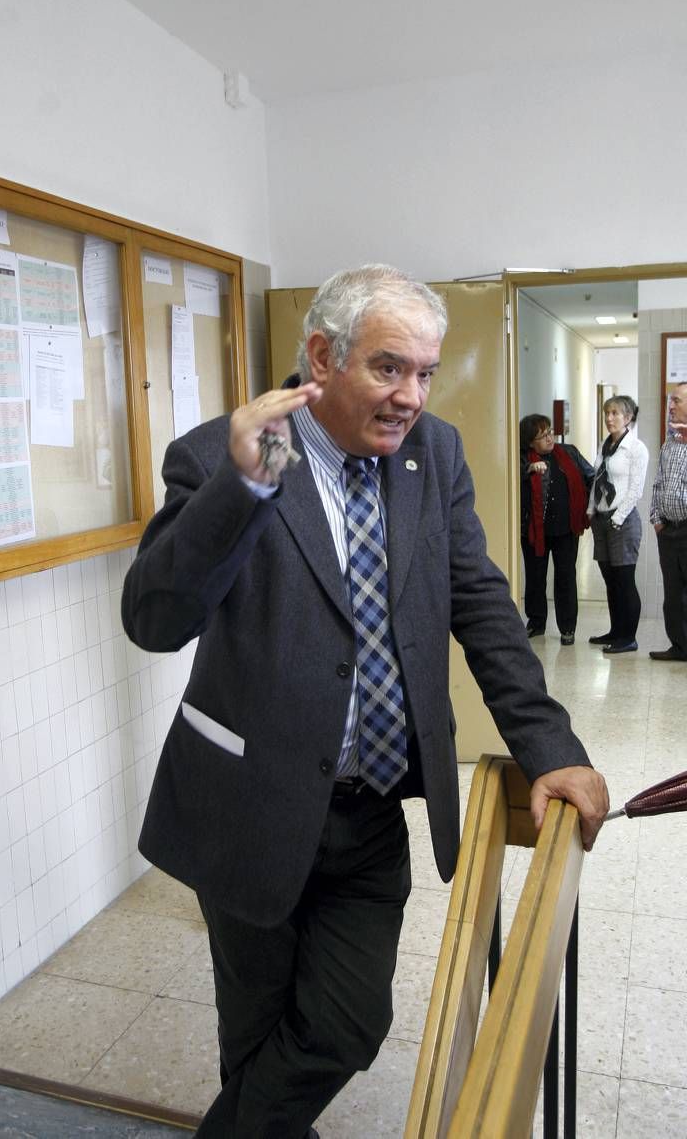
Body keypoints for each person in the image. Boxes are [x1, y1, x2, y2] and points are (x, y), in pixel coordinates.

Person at [122, 265, 608, 1139]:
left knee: (348, 1023)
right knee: (258, 1038)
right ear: (321, 356)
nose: (411, 395)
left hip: (370, 811)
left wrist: (552, 745)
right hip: (248, 804)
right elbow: (156, 619)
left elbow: (482, 605)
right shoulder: (233, 452)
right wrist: (244, 485)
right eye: (390, 368)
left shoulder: (435, 455)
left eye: (425, 371)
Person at [519, 415, 594, 645]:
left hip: (565, 529)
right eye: (543, 436)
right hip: (534, 530)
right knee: (535, 578)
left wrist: (590, 507)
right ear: (530, 442)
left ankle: (567, 627)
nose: (550, 437)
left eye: (550, 432)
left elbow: (591, 475)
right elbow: (509, 477)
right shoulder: (522, 458)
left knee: (565, 577)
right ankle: (536, 623)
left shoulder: (568, 452)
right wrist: (530, 469)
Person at [586, 396, 649, 653]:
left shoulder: (636, 448)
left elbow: (636, 490)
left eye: (615, 413)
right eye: (606, 413)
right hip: (601, 520)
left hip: (621, 521)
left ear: (628, 417)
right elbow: (597, 478)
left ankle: (628, 637)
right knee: (610, 580)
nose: (609, 419)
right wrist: (591, 510)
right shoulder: (606, 445)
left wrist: (616, 518)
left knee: (624, 580)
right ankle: (615, 631)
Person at [649, 381, 687, 661]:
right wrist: (656, 519)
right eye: (670, 401)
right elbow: (658, 484)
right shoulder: (669, 443)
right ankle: (680, 646)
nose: (670, 407)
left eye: (676, 401)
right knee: (673, 593)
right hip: (669, 531)